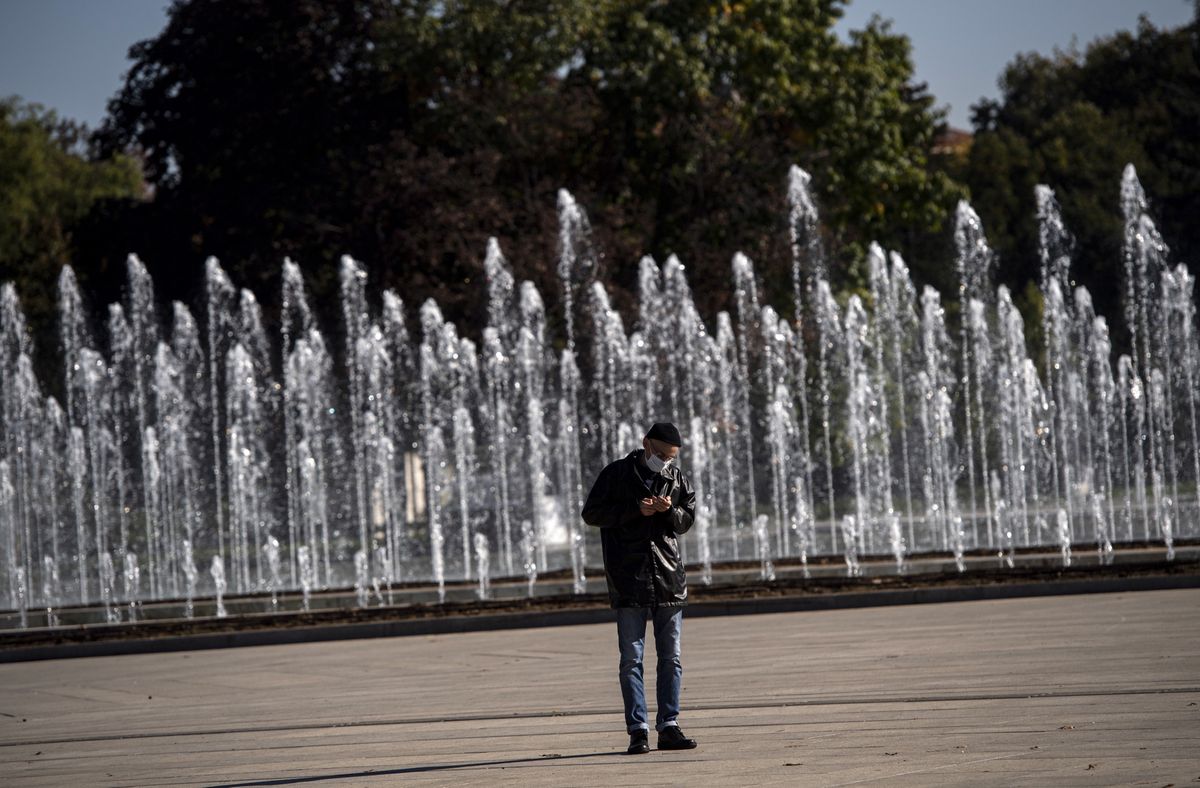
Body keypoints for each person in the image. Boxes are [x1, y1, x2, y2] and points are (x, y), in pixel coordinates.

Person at [581, 422, 698, 754]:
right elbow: (591, 514)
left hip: (668, 578)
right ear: (645, 444)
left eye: (671, 457)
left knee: (671, 657)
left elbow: (686, 520)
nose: (665, 462)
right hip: (628, 577)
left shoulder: (678, 479)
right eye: (660, 454)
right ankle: (638, 730)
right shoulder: (616, 474)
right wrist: (635, 510)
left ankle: (669, 725)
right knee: (631, 659)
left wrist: (669, 510)